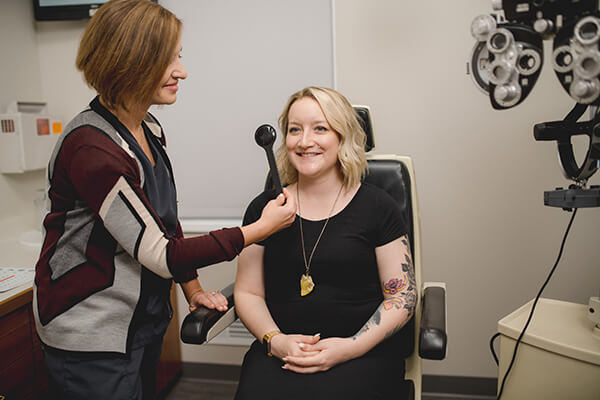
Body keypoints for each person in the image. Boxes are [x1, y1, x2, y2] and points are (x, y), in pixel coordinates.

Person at [32, 1, 296, 399]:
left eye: (179, 57)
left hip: (141, 320)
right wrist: (258, 230)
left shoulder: (147, 127)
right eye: (168, 59)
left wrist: (191, 289)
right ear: (129, 62)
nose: (182, 71)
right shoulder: (93, 149)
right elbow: (161, 252)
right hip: (91, 334)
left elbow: (162, 223)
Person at [233, 86, 417, 399]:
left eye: (320, 128)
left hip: (363, 353)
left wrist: (350, 347)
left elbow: (402, 294)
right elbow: (248, 291)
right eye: (294, 130)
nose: (305, 141)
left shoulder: (378, 206)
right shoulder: (264, 210)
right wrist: (276, 342)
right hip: (283, 355)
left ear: (342, 137)